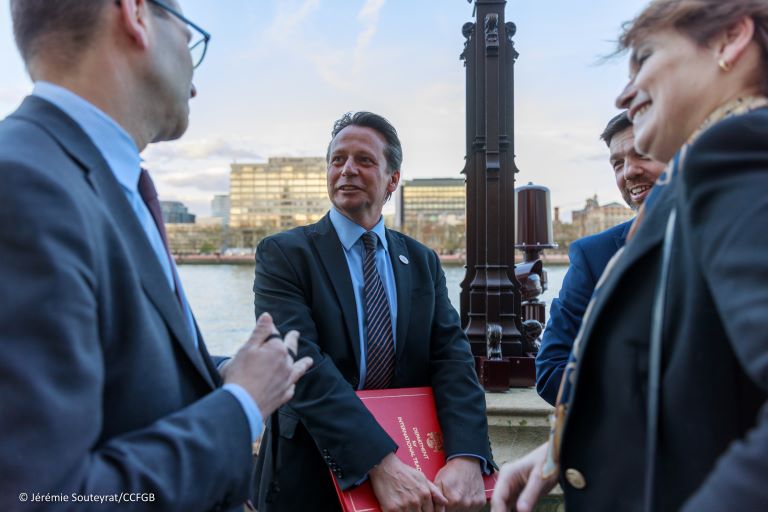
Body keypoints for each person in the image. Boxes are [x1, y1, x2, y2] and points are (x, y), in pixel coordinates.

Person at [0, 1, 312, 510]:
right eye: (192, 41)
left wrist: (226, 374)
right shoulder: (22, 186)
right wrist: (241, 407)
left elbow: (121, 386)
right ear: (136, 14)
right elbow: (43, 496)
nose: (194, 71)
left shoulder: (93, 180)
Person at [492, 1, 768, 511]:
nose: (625, 92)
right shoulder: (697, 184)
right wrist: (568, 447)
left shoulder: (737, 155)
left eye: (645, 58)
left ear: (731, 39)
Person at [251, 111, 495, 512]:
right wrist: (379, 463)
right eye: (337, 159)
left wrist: (467, 456)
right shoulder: (284, 254)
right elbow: (302, 363)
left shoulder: (421, 261)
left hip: (416, 467)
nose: (347, 169)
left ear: (392, 180)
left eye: (364, 160)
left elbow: (452, 359)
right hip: (310, 474)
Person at [535, 112, 666, 405]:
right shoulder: (595, 255)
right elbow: (551, 372)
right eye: (617, 164)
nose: (629, 172)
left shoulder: (740, 233)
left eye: (643, 153)